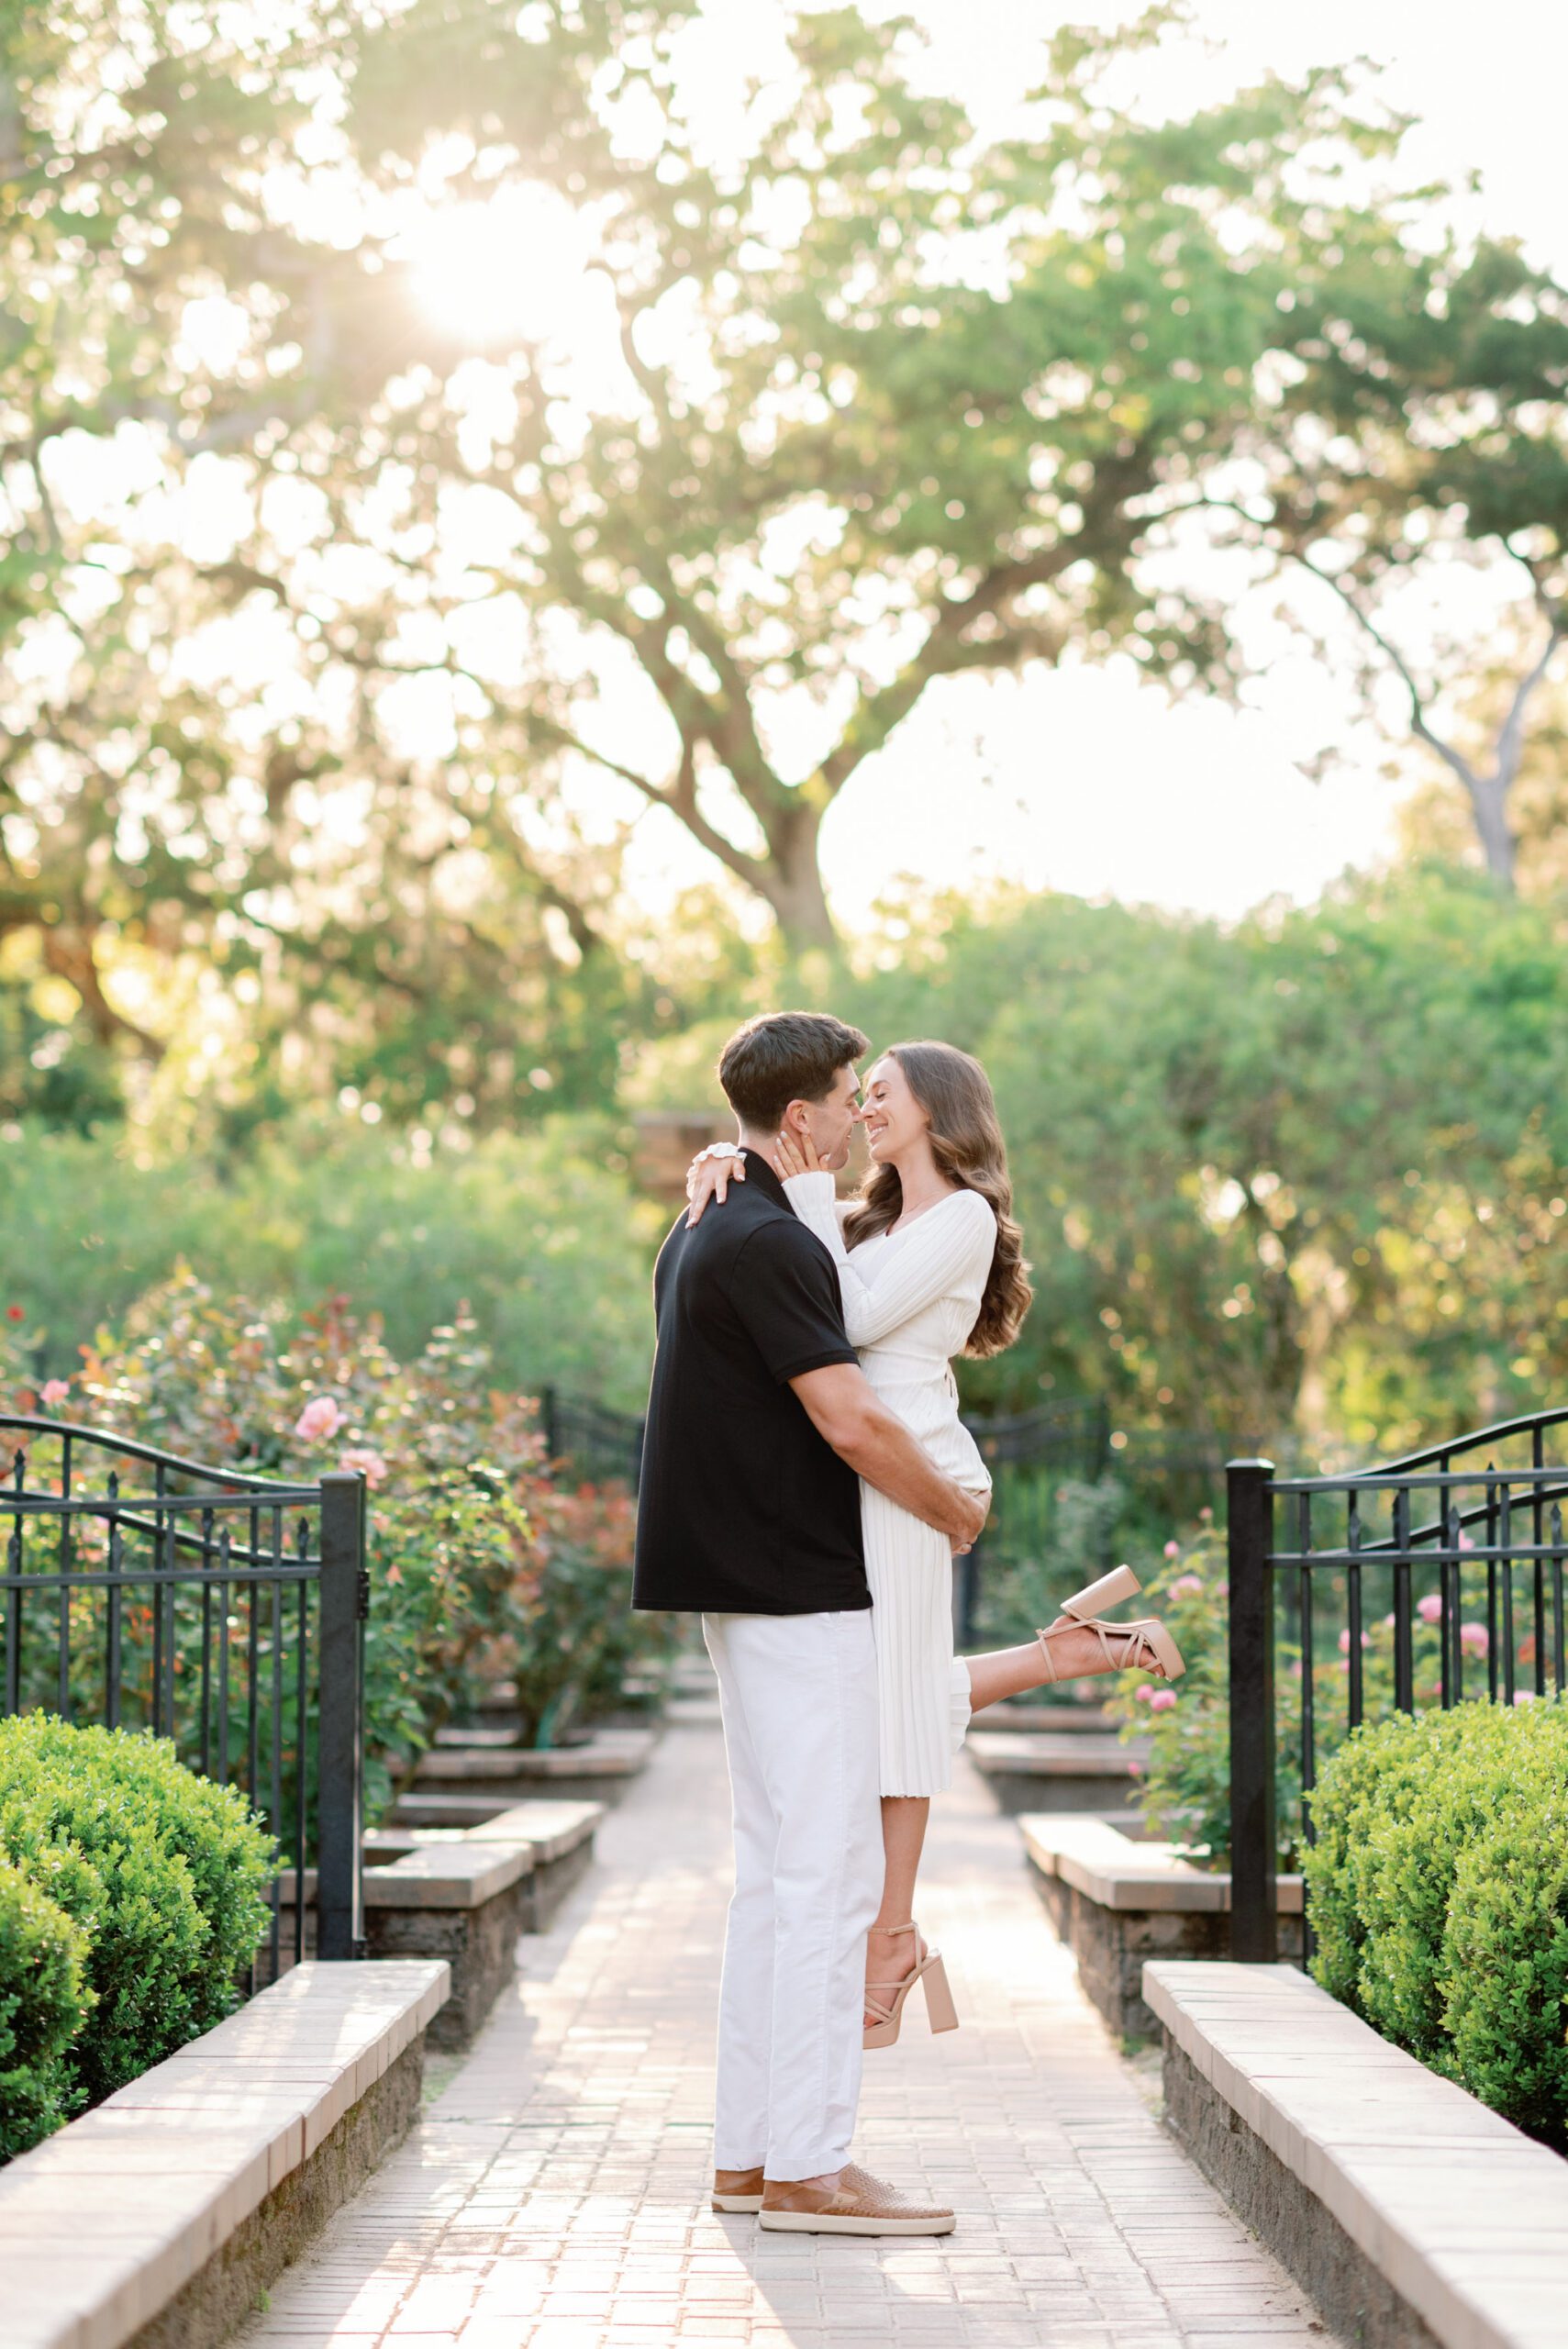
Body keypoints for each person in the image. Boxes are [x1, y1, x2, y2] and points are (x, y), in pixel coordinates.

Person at [684, 1037, 1184, 2048]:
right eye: (857, 1096)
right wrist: (729, 1165)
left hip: (913, 1468)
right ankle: (1075, 1651)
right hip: (872, 1470)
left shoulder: (961, 1216)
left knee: (895, 1695)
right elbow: (801, 1267)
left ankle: (891, 1932)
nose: (864, 1109)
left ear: (936, 1108)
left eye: (881, 1095)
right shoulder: (870, 1214)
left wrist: (807, 1190)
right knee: (884, 1680)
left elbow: (851, 1311)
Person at [632, 1012, 988, 2239]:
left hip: (738, 1594)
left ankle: (749, 2158)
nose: (856, 1116)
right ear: (800, 1121)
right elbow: (847, 1420)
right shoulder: (771, 1237)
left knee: (774, 1883)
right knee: (827, 1883)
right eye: (845, 1098)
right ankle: (812, 2169)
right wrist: (952, 1508)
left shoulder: (704, 1226)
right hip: (799, 1587)